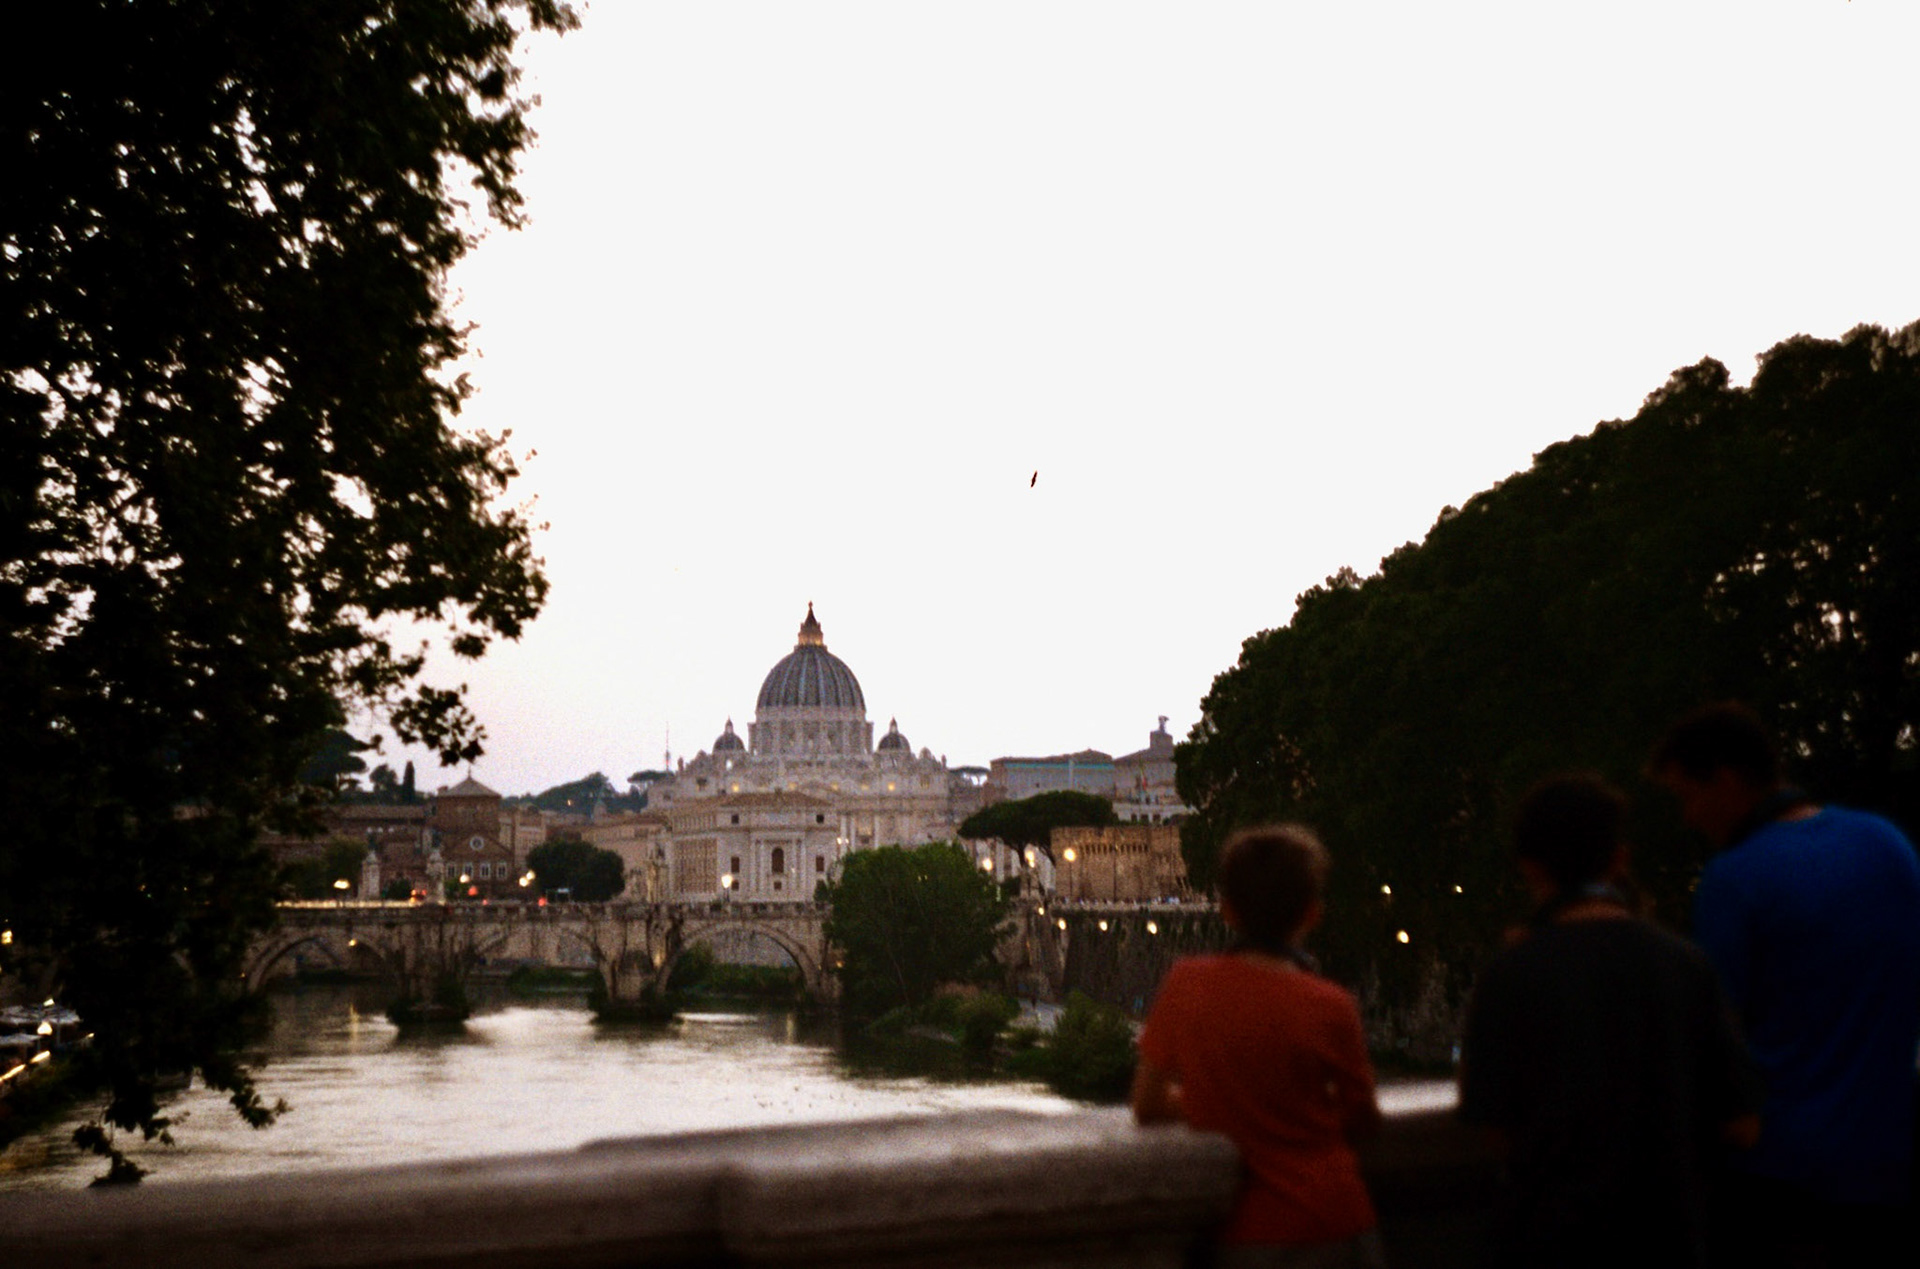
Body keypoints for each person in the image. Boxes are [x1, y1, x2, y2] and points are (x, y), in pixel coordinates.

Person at [1651, 703, 1920, 1265]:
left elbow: (1717, 1035)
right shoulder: (1885, 843)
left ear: (1725, 780)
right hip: (1894, 1154)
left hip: (1784, 1170)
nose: (1688, 817)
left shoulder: (1734, 879)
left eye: (1687, 796)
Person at [1458, 774, 1762, 1269]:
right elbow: (1741, 1122)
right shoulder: (1683, 964)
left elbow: (1495, 1128)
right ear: (1619, 859)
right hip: (1668, 1233)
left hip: (1551, 1236)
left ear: (1528, 864)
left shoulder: (1511, 974)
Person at [1132, 824, 1384, 1268]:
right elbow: (1361, 1116)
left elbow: (1148, 1104)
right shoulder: (1332, 1004)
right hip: (1341, 1220)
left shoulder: (1186, 986)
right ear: (1312, 913)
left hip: (1252, 1233)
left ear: (1227, 911)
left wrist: (1217, 1101)